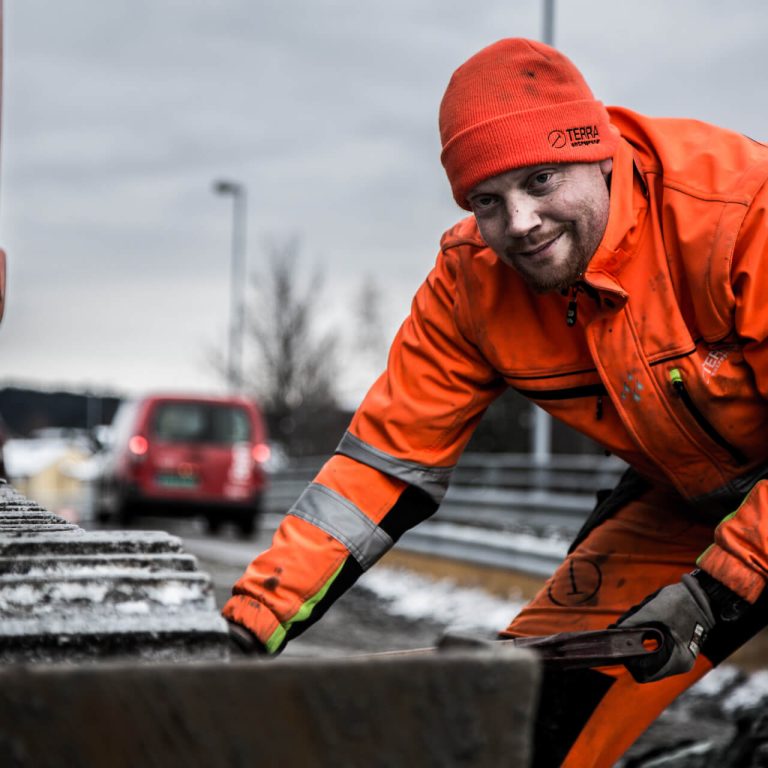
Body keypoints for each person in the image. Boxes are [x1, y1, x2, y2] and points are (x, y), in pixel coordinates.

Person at [223, 38, 768, 767]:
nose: (520, 223)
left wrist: (716, 596)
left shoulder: (739, 212)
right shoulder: (470, 286)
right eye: (488, 201)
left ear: (598, 151)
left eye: (541, 180)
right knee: (513, 724)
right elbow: (378, 473)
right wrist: (250, 621)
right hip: (688, 497)